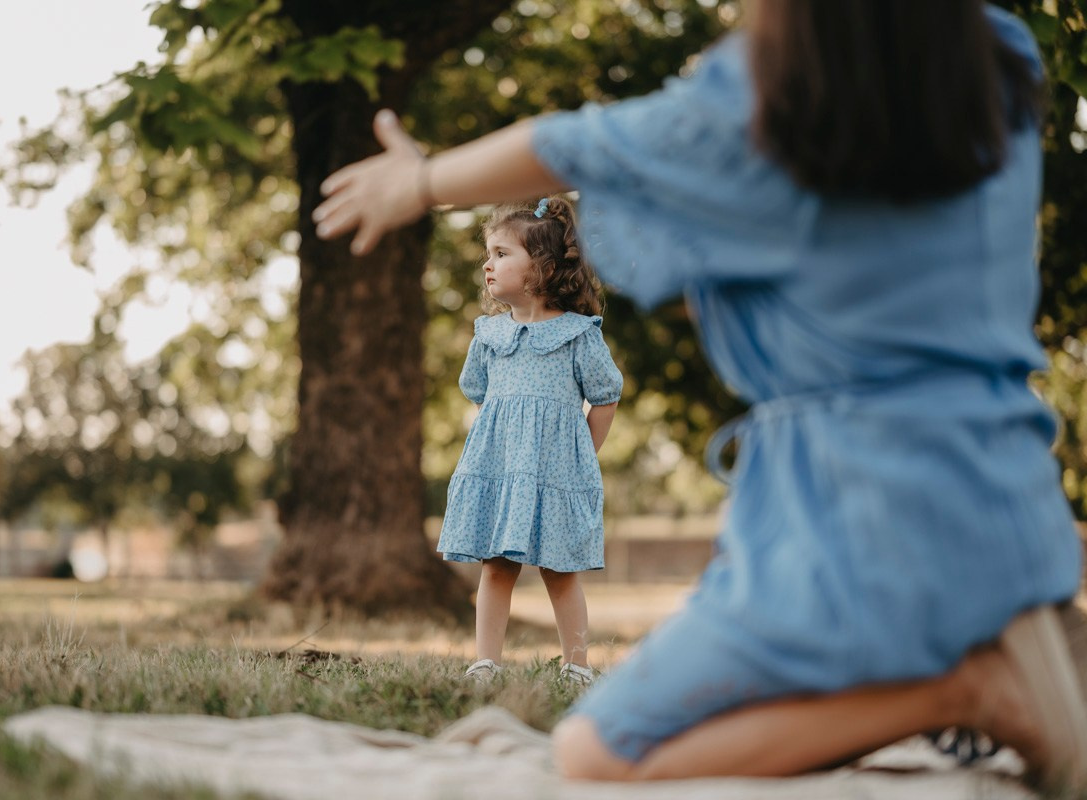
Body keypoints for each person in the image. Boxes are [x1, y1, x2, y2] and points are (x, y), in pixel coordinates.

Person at [312, 0, 1087, 789]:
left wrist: (422, 180)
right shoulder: (997, 55)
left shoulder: (775, 95)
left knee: (596, 751)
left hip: (852, 520)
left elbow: (573, 144)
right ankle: (1001, 643)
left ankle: (973, 688)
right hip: (1008, 501)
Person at [437, 197, 623, 685]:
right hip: (500, 471)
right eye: (489, 254)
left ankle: (576, 666)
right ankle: (486, 662)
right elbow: (481, 395)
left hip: (555, 474)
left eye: (501, 254)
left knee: (559, 571)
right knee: (496, 567)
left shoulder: (578, 335)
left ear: (542, 268)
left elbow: (606, 396)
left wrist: (582, 455)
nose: (488, 264)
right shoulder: (489, 335)